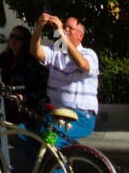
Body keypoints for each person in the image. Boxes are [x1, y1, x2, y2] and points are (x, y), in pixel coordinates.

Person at [30, 12, 99, 144]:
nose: (66, 30)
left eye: (70, 28)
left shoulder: (89, 54)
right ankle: (47, 165)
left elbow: (82, 64)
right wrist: (39, 27)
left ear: (80, 35)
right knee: (23, 134)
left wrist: (61, 33)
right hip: (56, 114)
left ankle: (55, 164)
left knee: (51, 141)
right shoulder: (57, 52)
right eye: (64, 27)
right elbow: (35, 51)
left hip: (80, 117)